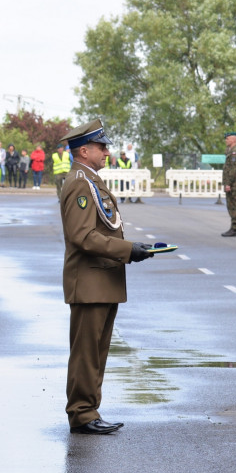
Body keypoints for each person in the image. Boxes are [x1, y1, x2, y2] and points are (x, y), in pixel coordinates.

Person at [58, 119, 154, 434]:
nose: (106, 152)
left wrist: (132, 249)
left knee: (96, 353)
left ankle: (89, 411)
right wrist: (128, 250)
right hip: (89, 283)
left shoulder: (90, 180)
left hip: (100, 282)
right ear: (83, 151)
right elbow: (82, 236)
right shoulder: (80, 183)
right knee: (86, 354)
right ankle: (82, 413)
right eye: (101, 146)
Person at [222, 132, 236, 237]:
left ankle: (234, 228)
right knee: (230, 205)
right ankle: (233, 227)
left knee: (233, 205)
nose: (226, 140)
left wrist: (228, 183)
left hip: (233, 184)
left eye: (228, 139)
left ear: (233, 140)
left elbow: (234, 169)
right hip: (230, 183)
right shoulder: (230, 150)